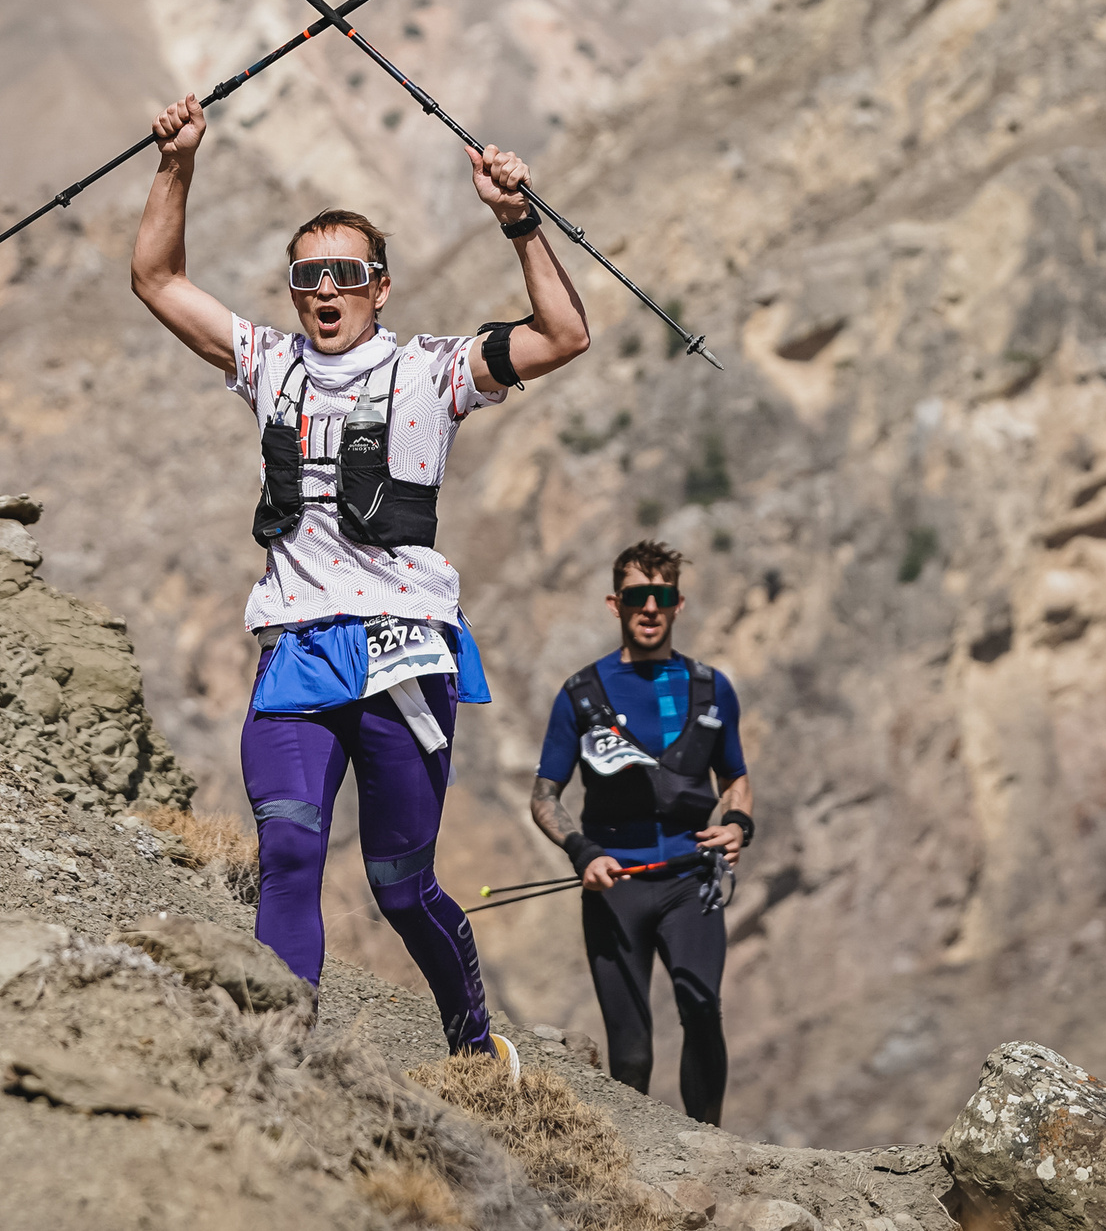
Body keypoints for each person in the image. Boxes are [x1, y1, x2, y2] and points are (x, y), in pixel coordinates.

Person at [130, 89, 590, 1068]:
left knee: (397, 884)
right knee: (288, 850)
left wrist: (519, 223)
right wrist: (177, 164)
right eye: (306, 279)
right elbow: (156, 277)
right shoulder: (264, 363)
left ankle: (473, 1043)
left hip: (403, 653)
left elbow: (562, 335)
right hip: (296, 652)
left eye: (344, 275)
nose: (324, 292)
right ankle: (279, 1064)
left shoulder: (434, 369)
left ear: (379, 286)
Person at [530, 540, 752, 1124]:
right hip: (615, 886)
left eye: (662, 596)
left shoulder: (712, 688)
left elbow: (736, 779)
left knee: (701, 1009)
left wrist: (736, 824)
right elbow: (544, 796)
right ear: (615, 603)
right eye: (637, 597)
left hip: (690, 882)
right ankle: (627, 1177)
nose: (649, 609)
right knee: (630, 1052)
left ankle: (713, 1147)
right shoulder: (581, 693)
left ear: (678, 604)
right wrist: (582, 852)